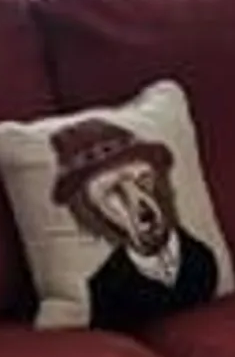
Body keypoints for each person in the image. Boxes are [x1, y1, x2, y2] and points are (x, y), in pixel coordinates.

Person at [46, 114, 219, 328]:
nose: (140, 203)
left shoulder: (202, 257)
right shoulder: (104, 291)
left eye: (142, 180)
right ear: (93, 213)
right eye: (113, 192)